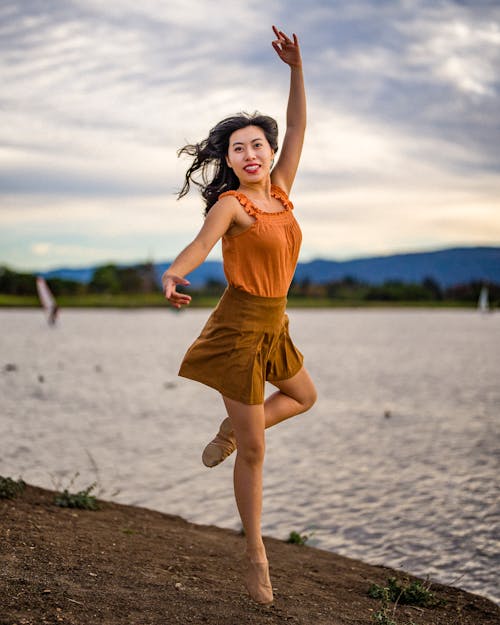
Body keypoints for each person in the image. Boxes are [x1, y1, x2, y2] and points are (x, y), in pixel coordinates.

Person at [162, 25, 317, 605]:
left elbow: (299, 125)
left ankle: (231, 430)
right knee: (257, 451)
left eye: (258, 145)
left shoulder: (281, 189)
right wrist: (175, 273)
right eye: (238, 148)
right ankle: (255, 553)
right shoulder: (235, 204)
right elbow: (202, 244)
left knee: (304, 397)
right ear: (228, 162)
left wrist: (297, 70)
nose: (250, 155)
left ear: (270, 154)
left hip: (276, 322)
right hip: (238, 328)